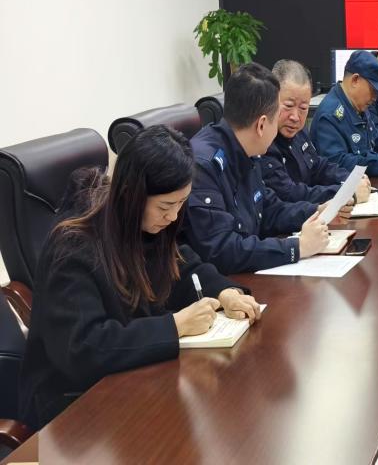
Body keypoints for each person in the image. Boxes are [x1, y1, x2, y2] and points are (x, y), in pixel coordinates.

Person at [18, 126, 263, 429]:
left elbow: (181, 265)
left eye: (181, 203)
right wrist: (175, 326)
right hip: (72, 407)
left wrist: (224, 292)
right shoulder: (73, 247)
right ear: (131, 195)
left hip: (129, 379)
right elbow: (84, 348)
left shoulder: (142, 222)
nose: (173, 216)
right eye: (165, 206)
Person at [185, 63, 339, 273]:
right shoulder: (203, 166)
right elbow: (221, 250)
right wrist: (297, 247)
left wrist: (316, 211)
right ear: (261, 125)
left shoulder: (246, 149)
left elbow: (268, 209)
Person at [262, 59, 371, 204]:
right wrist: (344, 192)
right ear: (272, 99)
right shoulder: (263, 142)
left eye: (303, 108)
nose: (295, 117)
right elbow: (289, 194)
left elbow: (317, 166)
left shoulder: (297, 131)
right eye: (288, 105)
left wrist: (350, 179)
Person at [312, 49, 378, 175]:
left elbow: (375, 138)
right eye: (373, 90)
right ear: (355, 80)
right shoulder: (330, 115)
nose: (375, 98)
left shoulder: (358, 105)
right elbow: (337, 163)